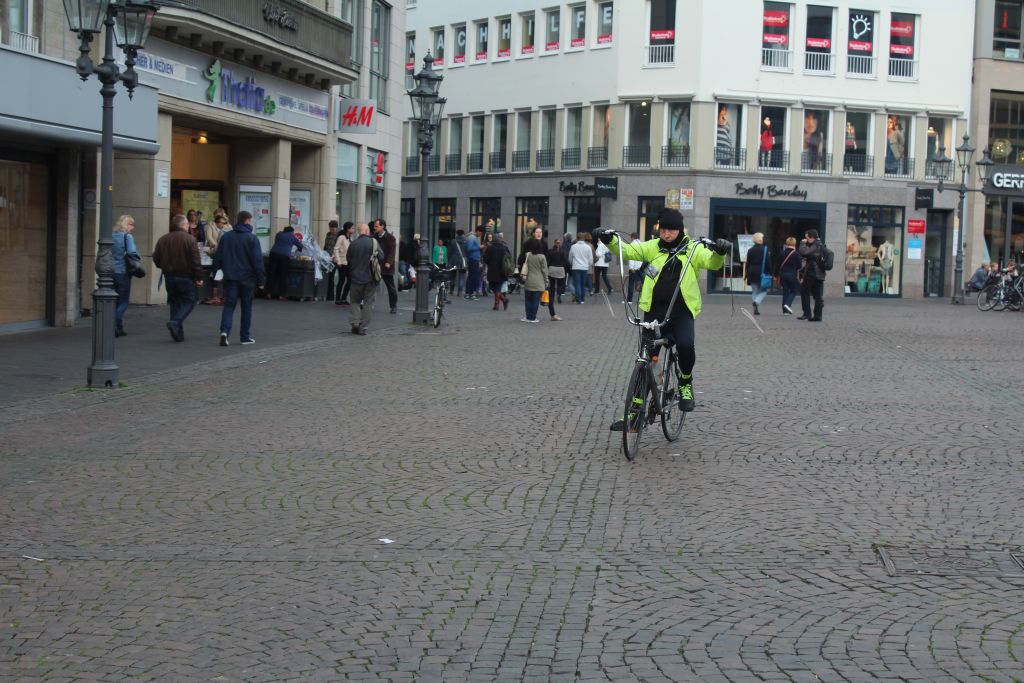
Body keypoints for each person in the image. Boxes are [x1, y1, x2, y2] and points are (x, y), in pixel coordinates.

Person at [594, 208, 730, 427]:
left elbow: (711, 262)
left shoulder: (693, 249)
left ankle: (685, 382)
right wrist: (609, 240)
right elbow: (627, 251)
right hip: (654, 311)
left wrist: (720, 253)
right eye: (663, 230)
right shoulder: (652, 247)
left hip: (681, 311)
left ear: (680, 230)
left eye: (671, 230)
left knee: (686, 345)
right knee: (645, 360)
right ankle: (634, 412)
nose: (666, 234)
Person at [213, 210, 265, 346]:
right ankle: (244, 336)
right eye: (250, 220)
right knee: (246, 307)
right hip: (247, 278)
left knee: (229, 305)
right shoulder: (252, 238)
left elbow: (218, 257)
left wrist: (215, 272)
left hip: (230, 277)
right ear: (247, 220)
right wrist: (261, 280)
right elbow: (257, 261)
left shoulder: (227, 237)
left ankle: (224, 332)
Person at [152, 214, 203, 342]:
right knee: (189, 301)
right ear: (182, 225)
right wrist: (199, 276)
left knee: (174, 302)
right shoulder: (190, 239)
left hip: (169, 276)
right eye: (186, 224)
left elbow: (156, 257)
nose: (187, 226)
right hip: (185, 276)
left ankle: (178, 333)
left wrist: (163, 266)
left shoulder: (163, 239)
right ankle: (175, 323)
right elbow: (195, 260)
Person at [346, 223, 383, 335]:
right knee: (368, 303)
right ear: (367, 231)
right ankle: (363, 327)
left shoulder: (353, 244)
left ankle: (355, 323)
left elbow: (349, 260)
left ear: (359, 232)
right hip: (370, 278)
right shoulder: (373, 242)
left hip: (355, 278)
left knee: (354, 302)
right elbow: (381, 257)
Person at [110, 214, 141, 338]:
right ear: (126, 225)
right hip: (123, 272)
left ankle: (119, 327)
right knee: (123, 301)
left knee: (114, 300)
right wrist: (138, 258)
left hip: (111, 272)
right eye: (131, 224)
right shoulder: (127, 237)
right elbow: (132, 252)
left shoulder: (111, 236)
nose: (132, 227)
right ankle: (115, 323)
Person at [798, 229, 826, 321]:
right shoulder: (820, 244)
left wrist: (802, 243)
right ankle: (817, 316)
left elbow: (804, 252)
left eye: (807, 238)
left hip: (813, 273)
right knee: (817, 295)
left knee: (804, 291)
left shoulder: (816, 244)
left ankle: (807, 314)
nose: (806, 240)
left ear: (811, 237)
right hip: (819, 274)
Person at [372, 218, 398, 314]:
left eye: (376, 226)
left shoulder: (390, 238)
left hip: (387, 267)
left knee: (391, 287)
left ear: (382, 226)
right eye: (374, 226)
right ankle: (370, 304)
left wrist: (389, 262)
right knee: (372, 286)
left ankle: (393, 306)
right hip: (376, 265)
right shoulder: (374, 237)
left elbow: (392, 252)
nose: (374, 228)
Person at [268, 225, 302, 300]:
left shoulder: (279, 234)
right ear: (292, 232)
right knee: (283, 275)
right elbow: (300, 246)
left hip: (273, 254)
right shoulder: (292, 237)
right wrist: (298, 251)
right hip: (284, 256)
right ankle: (281, 295)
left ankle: (268, 293)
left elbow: (277, 243)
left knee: (272, 273)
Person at [520, 238, 549, 323]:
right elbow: (544, 270)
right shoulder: (542, 257)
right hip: (539, 282)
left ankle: (528, 316)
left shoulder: (528, 255)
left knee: (528, 300)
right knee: (535, 300)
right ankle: (533, 317)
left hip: (528, 280)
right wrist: (546, 281)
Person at [483, 231, 510, 311]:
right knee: (497, 287)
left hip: (492, 271)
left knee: (493, 287)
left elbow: (486, 259)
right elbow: (509, 258)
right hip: (502, 271)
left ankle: (497, 304)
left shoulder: (490, 248)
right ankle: (503, 300)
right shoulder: (504, 248)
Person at [744, 232, 770, 315]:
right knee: (764, 290)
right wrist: (770, 272)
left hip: (751, 272)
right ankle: (756, 301)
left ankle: (755, 309)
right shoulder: (765, 249)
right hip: (762, 273)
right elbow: (768, 263)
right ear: (761, 239)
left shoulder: (750, 250)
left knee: (754, 291)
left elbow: (748, 263)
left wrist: (746, 274)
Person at [777, 236, 801, 315]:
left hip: (783, 275)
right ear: (794, 244)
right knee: (794, 291)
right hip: (792, 275)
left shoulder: (782, 253)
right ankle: (787, 304)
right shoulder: (796, 254)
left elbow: (778, 265)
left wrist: (775, 274)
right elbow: (799, 266)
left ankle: (785, 311)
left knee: (785, 292)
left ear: (786, 243)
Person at [569, 232, 594, 303]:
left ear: (577, 238)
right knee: (583, 284)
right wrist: (588, 265)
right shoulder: (588, 247)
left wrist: (572, 264)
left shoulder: (573, 246)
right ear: (584, 238)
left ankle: (578, 299)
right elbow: (591, 259)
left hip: (576, 267)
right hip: (585, 268)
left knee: (577, 284)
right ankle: (582, 299)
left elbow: (570, 258)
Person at [333, 221, 353, 305]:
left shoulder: (349, 237)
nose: (353, 229)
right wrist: (338, 261)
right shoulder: (341, 237)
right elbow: (336, 248)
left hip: (348, 262)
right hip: (341, 262)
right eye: (352, 228)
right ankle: (338, 299)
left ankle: (344, 298)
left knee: (349, 280)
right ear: (347, 229)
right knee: (341, 280)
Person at [547, 238, 567, 314]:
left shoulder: (550, 251)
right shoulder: (562, 252)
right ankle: (559, 295)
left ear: (554, 243)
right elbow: (565, 261)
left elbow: (548, 261)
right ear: (560, 243)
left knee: (552, 284)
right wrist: (566, 268)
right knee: (560, 284)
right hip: (560, 269)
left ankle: (551, 297)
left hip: (552, 268)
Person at [322, 220, 340, 302]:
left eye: (333, 229)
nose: (331, 230)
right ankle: (328, 295)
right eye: (330, 228)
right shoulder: (328, 234)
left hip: (335, 259)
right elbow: (325, 245)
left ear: (336, 228)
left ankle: (332, 296)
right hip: (327, 258)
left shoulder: (339, 235)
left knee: (332, 277)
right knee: (329, 276)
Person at [449, 229, 468, 296]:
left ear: (457, 234)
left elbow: (450, 252)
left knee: (453, 276)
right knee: (462, 276)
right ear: (463, 234)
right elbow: (467, 252)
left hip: (454, 260)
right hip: (462, 261)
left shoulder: (453, 241)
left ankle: (451, 290)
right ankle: (460, 291)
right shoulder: (466, 241)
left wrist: (449, 261)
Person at [626, 233, 643, 304]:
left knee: (631, 284)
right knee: (642, 283)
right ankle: (642, 300)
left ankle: (629, 300)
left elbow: (631, 257)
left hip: (634, 268)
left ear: (632, 237)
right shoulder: (642, 244)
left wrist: (631, 267)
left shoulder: (632, 245)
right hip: (641, 267)